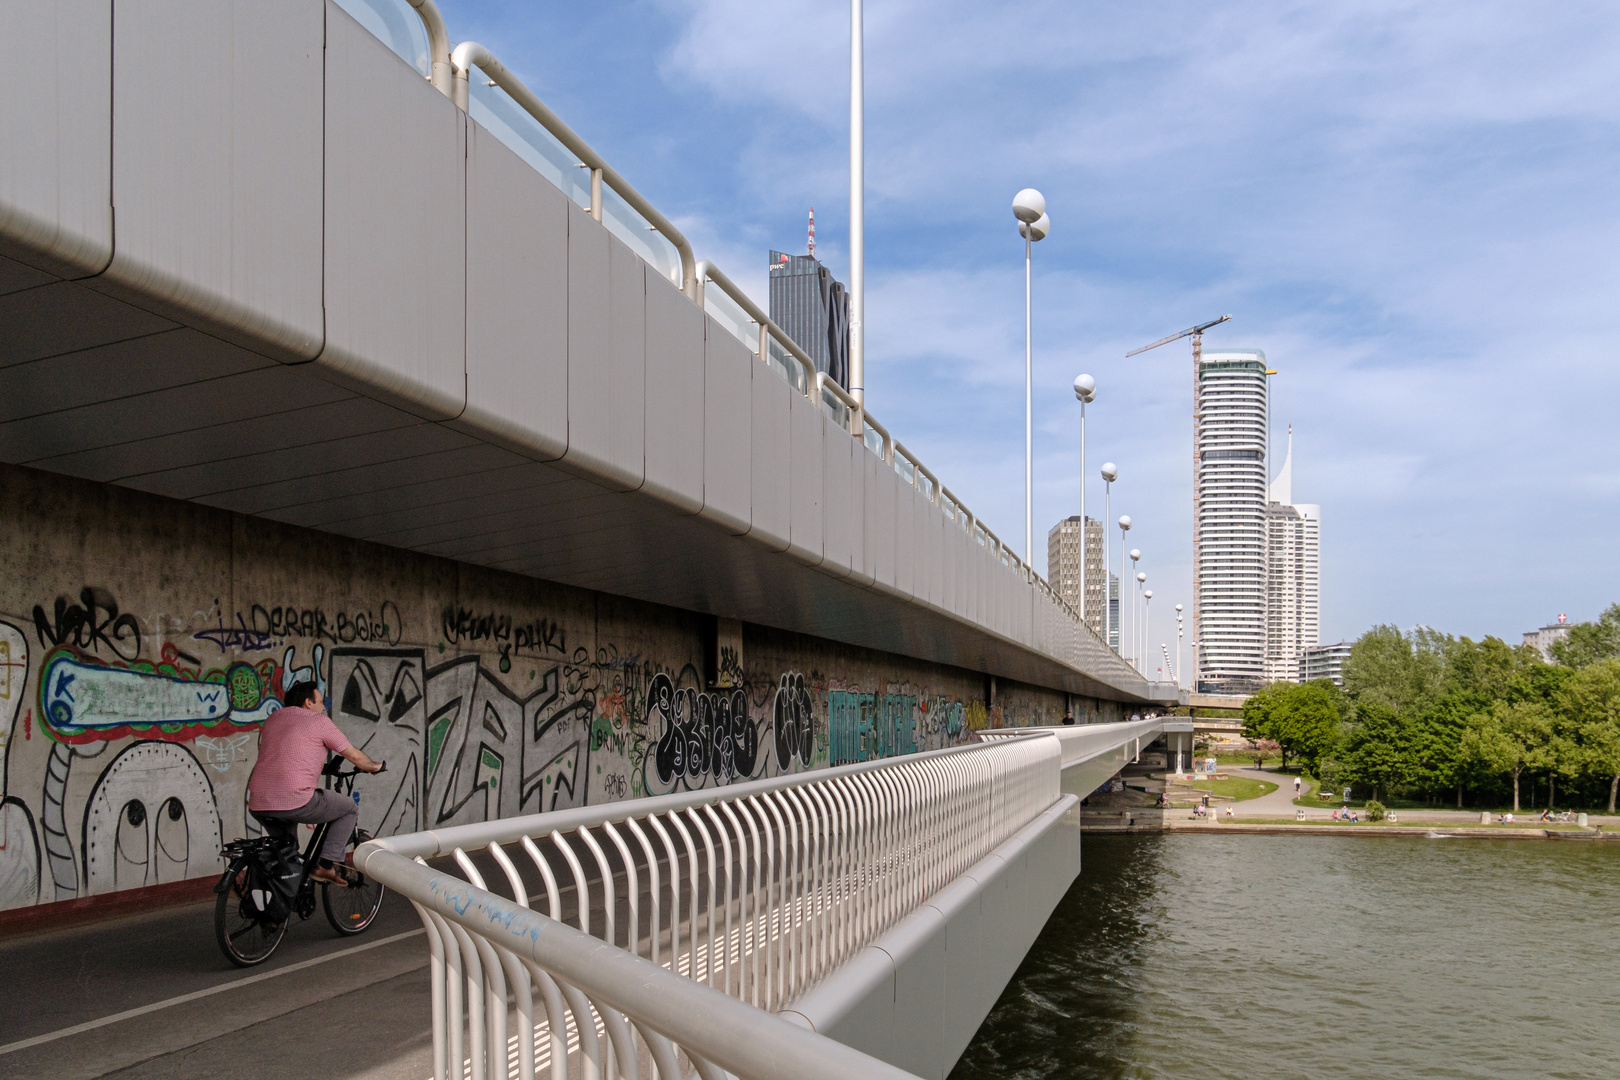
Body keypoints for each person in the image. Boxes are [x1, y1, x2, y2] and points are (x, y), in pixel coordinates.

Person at [248, 682, 384, 885]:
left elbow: (285, 757)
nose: (323, 707)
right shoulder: (319, 721)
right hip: (295, 799)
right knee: (348, 809)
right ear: (308, 702)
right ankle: (326, 867)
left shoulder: (272, 720)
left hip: (258, 802)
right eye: (320, 702)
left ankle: (283, 898)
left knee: (287, 853)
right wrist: (374, 766)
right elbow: (353, 755)